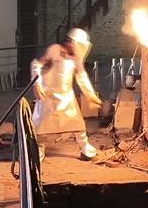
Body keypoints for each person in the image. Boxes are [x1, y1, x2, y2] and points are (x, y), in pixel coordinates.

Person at [30, 28, 102, 162]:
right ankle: (38, 152)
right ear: (71, 42)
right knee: (41, 126)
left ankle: (86, 150)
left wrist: (90, 95)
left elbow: (82, 78)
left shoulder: (76, 59)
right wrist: (37, 83)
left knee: (77, 124)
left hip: (67, 98)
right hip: (47, 96)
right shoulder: (54, 50)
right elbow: (36, 64)